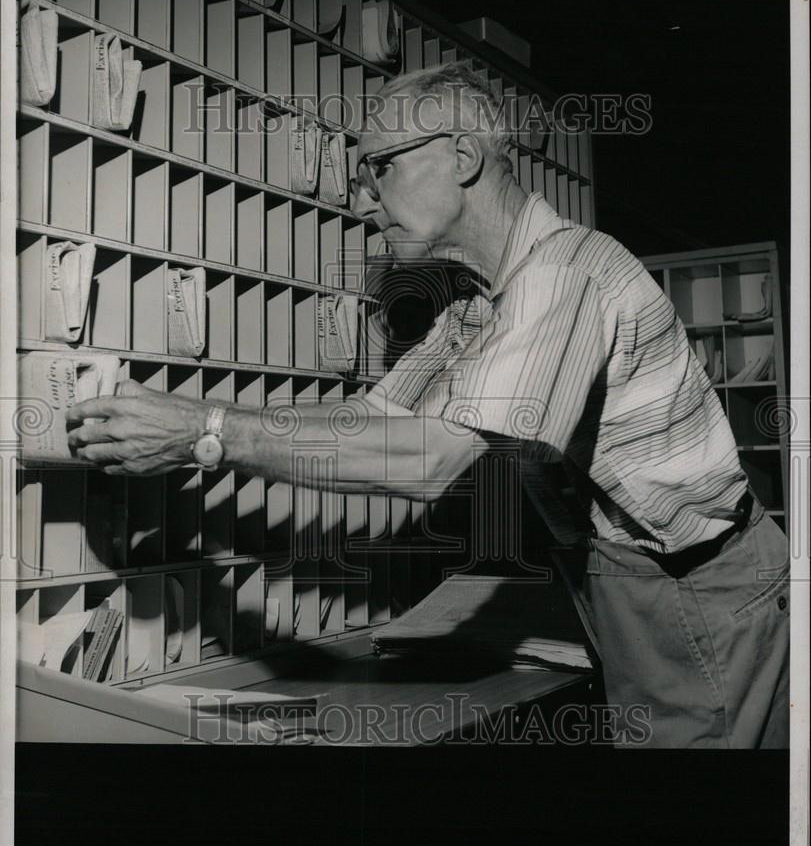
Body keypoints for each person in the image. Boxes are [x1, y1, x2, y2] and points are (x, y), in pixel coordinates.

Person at [66, 62, 789, 748]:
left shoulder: (565, 276)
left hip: (700, 587)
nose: (360, 199)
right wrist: (184, 415)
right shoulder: (482, 304)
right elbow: (375, 419)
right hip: (629, 582)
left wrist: (207, 433)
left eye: (379, 166)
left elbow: (431, 459)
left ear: (463, 156)